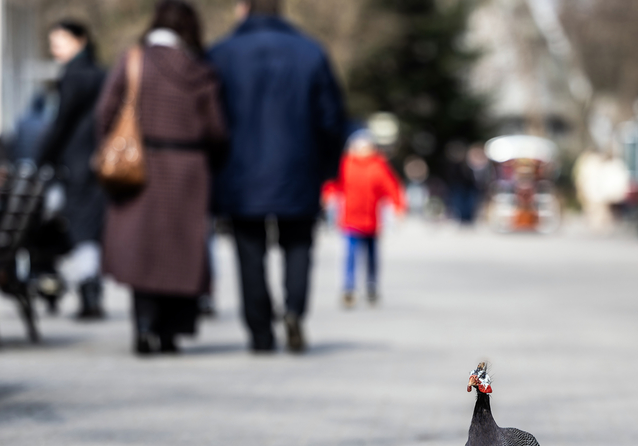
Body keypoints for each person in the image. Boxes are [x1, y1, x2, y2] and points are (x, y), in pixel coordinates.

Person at [209, 0, 346, 353]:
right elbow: (332, 118)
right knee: (298, 245)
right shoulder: (311, 51)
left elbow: (210, 120)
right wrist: (327, 167)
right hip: (299, 167)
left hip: (240, 172)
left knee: (249, 252)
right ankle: (295, 312)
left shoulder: (221, 53)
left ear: (243, 8)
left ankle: (260, 332)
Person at [97, 0, 227, 355]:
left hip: (140, 164)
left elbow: (106, 112)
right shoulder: (200, 69)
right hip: (188, 168)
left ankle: (142, 326)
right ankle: (171, 333)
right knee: (180, 251)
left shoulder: (134, 60)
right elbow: (216, 128)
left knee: (143, 248)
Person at [37, 20, 107, 319]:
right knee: (90, 230)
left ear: (81, 40)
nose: (55, 48)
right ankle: (90, 291)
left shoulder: (73, 75)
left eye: (61, 41)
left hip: (77, 164)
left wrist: (41, 158)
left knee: (82, 230)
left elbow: (61, 123)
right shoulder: (103, 73)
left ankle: (89, 294)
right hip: (101, 161)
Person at [322, 130, 406, 308]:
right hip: (350, 219)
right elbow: (333, 184)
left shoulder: (378, 165)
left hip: (372, 220)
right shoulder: (345, 164)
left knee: (372, 256)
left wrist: (398, 206)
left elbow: (391, 186)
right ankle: (349, 288)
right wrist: (327, 195)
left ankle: (371, 285)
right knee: (350, 256)